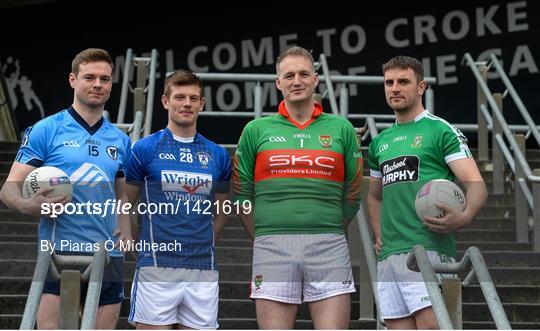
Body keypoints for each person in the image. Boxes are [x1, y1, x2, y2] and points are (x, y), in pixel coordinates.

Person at [0, 48, 132, 329]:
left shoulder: (120, 140)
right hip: (58, 253)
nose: (98, 84)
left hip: (108, 254)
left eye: (105, 79)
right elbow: (8, 189)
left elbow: (121, 195)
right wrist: (26, 204)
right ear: (73, 80)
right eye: (90, 77)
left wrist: (127, 230)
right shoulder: (46, 129)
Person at [232, 46, 363, 329]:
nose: (297, 81)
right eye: (289, 75)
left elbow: (353, 189)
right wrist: (262, 233)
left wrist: (333, 225)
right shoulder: (256, 130)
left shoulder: (342, 129)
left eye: (304, 74)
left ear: (316, 79)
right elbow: (242, 191)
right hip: (272, 244)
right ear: (278, 83)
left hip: (329, 243)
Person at [366, 55, 488, 329]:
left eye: (403, 82)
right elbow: (374, 196)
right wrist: (379, 236)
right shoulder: (380, 142)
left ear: (421, 87)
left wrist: (465, 215)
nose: (395, 88)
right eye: (389, 82)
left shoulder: (440, 130)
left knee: (431, 326)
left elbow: (476, 183)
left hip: (428, 250)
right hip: (389, 257)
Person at [124, 69, 231, 329]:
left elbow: (222, 209)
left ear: (202, 104)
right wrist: (135, 242)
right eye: (180, 97)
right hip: (157, 267)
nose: (187, 103)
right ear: (165, 101)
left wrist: (204, 241)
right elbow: (124, 203)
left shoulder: (218, 154)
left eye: (194, 98)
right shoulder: (145, 148)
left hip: (203, 268)